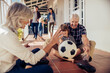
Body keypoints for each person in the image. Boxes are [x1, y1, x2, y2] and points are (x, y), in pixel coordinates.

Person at [0, 2, 65, 73]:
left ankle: (29, 66)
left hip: (13, 63)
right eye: (27, 19)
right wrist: (51, 43)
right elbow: (32, 59)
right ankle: (30, 65)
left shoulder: (5, 29)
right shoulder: (7, 35)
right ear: (19, 18)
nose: (28, 22)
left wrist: (21, 46)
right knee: (47, 69)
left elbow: (8, 48)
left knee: (36, 50)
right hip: (8, 70)